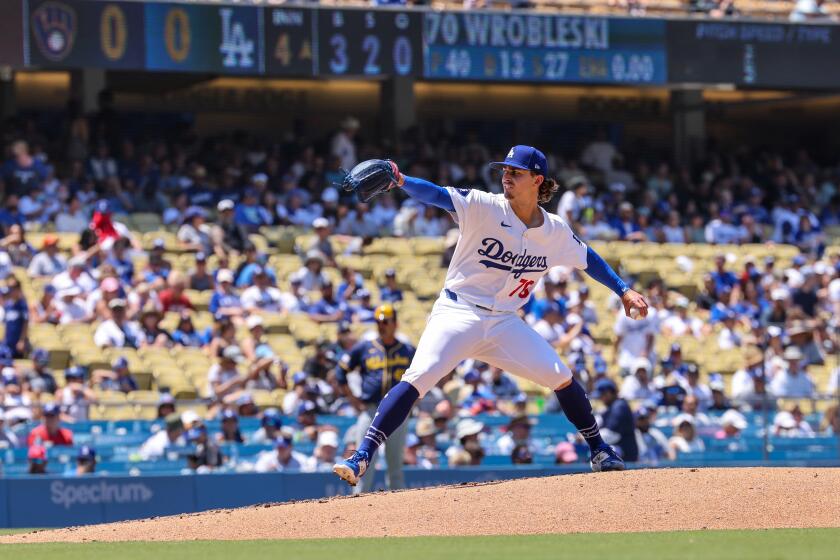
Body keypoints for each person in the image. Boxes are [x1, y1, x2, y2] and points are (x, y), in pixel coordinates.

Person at [334, 146, 648, 486]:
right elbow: (437, 196)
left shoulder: (554, 230)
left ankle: (599, 450)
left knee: (560, 375)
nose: (506, 176)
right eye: (505, 170)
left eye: (516, 172)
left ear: (537, 180)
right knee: (419, 376)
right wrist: (401, 178)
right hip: (459, 310)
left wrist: (624, 291)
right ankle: (362, 453)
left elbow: (589, 259)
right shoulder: (484, 206)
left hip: (505, 322)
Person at [334, 303, 416, 493]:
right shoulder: (365, 348)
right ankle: (358, 504)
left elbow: (423, 375)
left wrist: (413, 400)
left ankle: (397, 508)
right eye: (379, 322)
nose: (382, 325)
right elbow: (341, 370)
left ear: (395, 323)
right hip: (370, 409)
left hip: (398, 412)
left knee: (395, 466)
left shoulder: (407, 350)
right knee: (363, 462)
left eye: (386, 321)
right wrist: (352, 398)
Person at [591, 378, 638, 463]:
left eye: (602, 394)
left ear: (610, 392)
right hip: (619, 451)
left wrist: (588, 439)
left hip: (625, 453)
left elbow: (612, 434)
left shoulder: (619, 406)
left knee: (598, 455)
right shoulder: (611, 407)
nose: (601, 398)